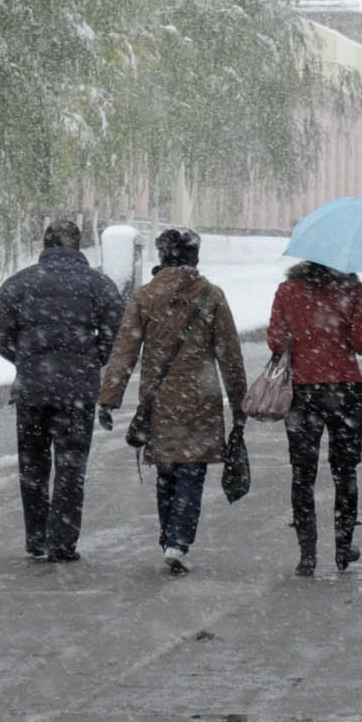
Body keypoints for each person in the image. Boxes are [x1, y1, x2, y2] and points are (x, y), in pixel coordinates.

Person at [98, 227, 247, 574]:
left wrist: (109, 399)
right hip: (201, 399)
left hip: (160, 401)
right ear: (194, 257)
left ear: (162, 256)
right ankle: (178, 541)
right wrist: (240, 403)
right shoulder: (211, 296)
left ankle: (169, 536)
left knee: (166, 471)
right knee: (191, 472)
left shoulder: (145, 296)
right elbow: (230, 355)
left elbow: (124, 352)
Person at [0, 219, 124, 564]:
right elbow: (116, 330)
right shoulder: (98, 284)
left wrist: (24, 358)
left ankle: (36, 538)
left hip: (32, 391)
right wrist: (94, 358)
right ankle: (62, 542)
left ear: (45, 246)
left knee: (32, 466)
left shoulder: (20, 283)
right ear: (79, 247)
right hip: (76, 392)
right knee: (70, 467)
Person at [267, 260, 362, 576]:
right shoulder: (353, 290)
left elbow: (277, 342)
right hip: (344, 391)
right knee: (345, 471)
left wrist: (303, 336)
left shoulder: (288, 290)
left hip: (302, 391)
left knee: (302, 473)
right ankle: (343, 547)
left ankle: (307, 554)